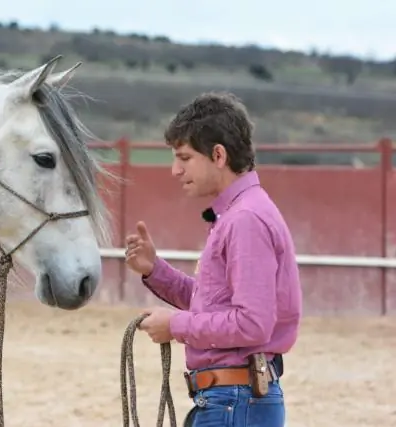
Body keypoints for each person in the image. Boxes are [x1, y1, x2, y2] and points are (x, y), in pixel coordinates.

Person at [124, 91, 302, 427]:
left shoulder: (245, 219)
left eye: (185, 158)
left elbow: (252, 323)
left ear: (218, 155)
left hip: (234, 402)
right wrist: (155, 271)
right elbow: (217, 305)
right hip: (234, 401)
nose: (175, 170)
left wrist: (174, 325)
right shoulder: (241, 213)